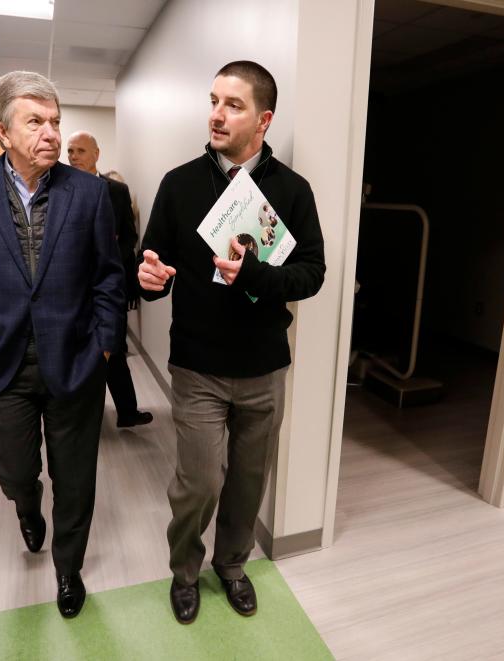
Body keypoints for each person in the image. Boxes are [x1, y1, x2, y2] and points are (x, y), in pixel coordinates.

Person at [137, 61, 326, 624]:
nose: (217, 114)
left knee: (248, 481)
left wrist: (256, 277)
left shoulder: (293, 191)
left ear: (264, 120)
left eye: (234, 105)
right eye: (214, 100)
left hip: (265, 368)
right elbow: (152, 265)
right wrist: (146, 279)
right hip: (197, 365)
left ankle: (233, 565)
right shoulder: (179, 183)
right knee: (198, 482)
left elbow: (312, 274)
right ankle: (185, 573)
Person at [0, 71, 125, 618]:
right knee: (17, 470)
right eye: (35, 122)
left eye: (55, 122)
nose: (49, 133)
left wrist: (105, 347)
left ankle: (68, 569)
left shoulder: (90, 193)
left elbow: (109, 279)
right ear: (2, 133)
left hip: (75, 361)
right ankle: (26, 504)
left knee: (75, 477)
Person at [66, 130, 153, 428]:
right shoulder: (60, 188)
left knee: (113, 349)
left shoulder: (116, 190)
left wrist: (108, 252)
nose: (73, 157)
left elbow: (129, 236)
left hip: (106, 284)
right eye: (70, 151)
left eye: (80, 151)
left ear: (96, 155)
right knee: (79, 352)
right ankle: (85, 416)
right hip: (72, 288)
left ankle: (127, 412)